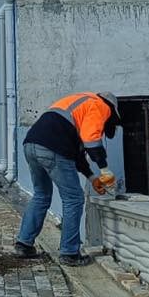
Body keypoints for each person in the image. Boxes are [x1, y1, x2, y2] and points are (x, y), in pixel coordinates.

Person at [14, 91, 122, 265]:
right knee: (74, 198)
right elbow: (91, 140)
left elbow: (77, 155)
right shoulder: (99, 105)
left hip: (31, 145)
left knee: (41, 195)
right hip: (52, 148)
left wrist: (92, 177)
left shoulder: (79, 105)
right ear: (111, 109)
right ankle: (70, 253)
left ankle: (24, 244)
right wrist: (104, 169)